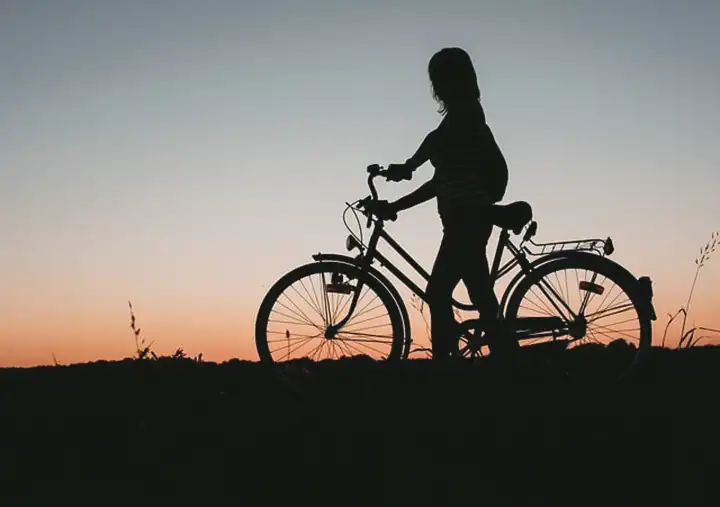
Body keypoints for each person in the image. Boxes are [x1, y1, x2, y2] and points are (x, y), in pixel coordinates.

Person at [368, 47, 510, 361]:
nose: (438, 86)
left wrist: (409, 165)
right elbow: (439, 183)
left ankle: (446, 366)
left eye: (442, 78)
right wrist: (397, 204)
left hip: (467, 219)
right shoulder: (463, 118)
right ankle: (502, 361)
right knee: (479, 294)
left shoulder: (466, 116)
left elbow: (435, 142)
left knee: (439, 292)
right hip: (468, 218)